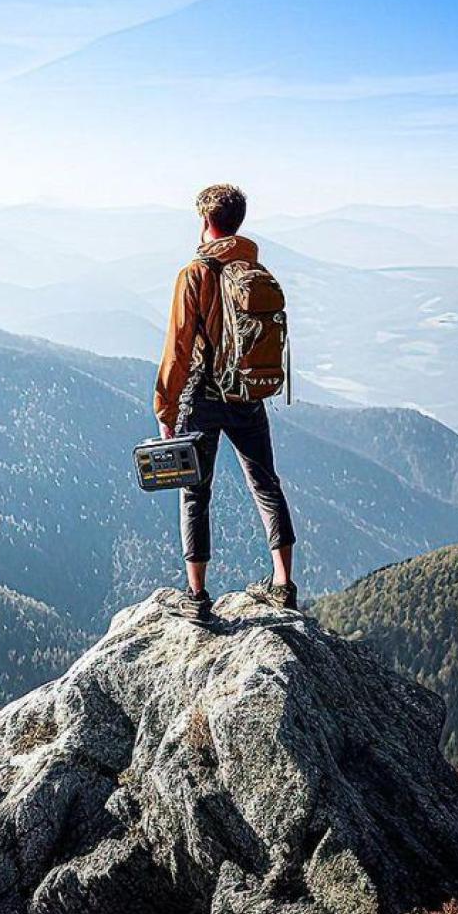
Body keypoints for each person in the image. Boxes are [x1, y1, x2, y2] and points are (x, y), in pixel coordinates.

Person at [155, 184, 297, 622]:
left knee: (195, 493)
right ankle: (283, 585)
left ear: (205, 222)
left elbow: (178, 348)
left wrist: (166, 408)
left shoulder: (195, 275)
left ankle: (197, 597)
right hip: (249, 394)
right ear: (237, 221)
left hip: (203, 396)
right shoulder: (254, 269)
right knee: (266, 484)